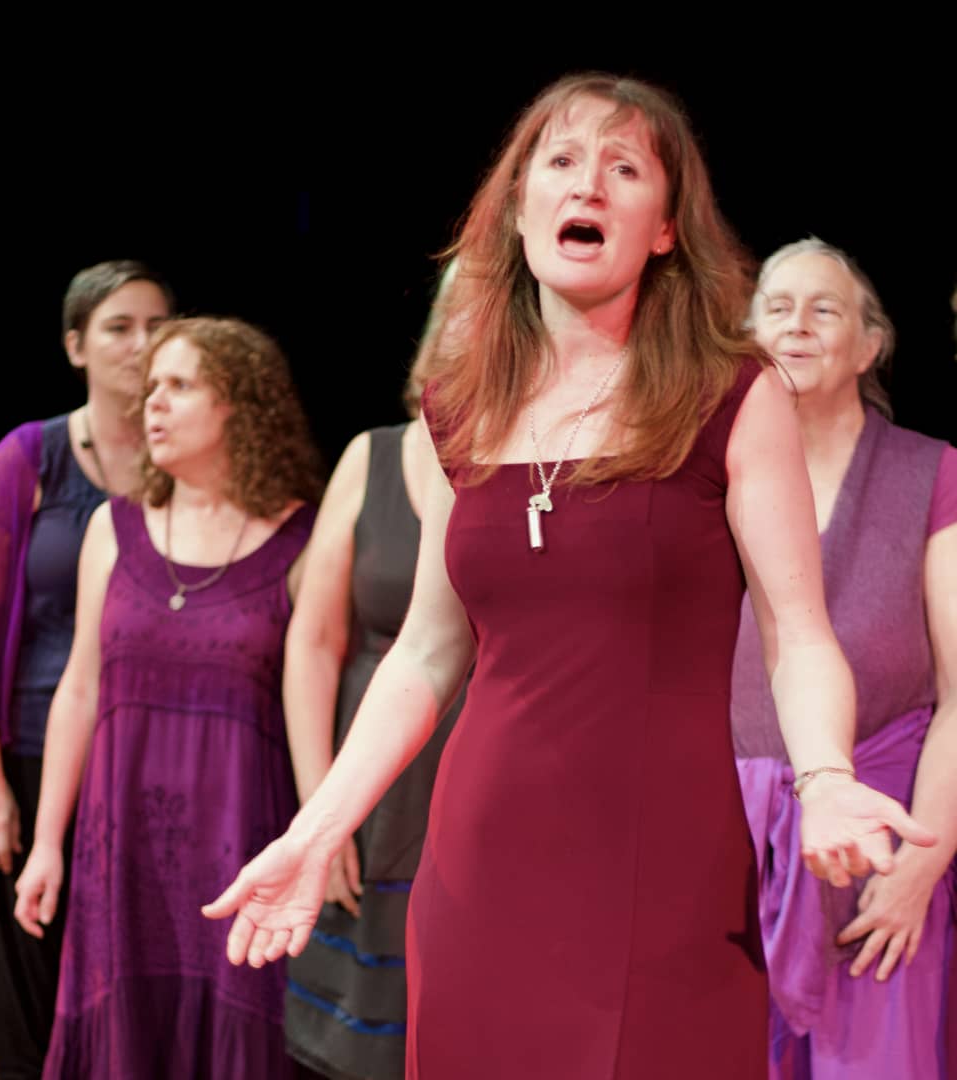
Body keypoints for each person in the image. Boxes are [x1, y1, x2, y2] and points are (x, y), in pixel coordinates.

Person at [203, 73, 936, 1079]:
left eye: (623, 167)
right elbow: (427, 652)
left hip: (661, 860)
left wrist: (826, 778)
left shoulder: (732, 395)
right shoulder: (463, 408)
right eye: (561, 160)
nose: (587, 183)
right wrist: (318, 825)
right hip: (481, 856)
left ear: (665, 228)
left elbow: (798, 634)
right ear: (519, 208)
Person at [13, 317, 323, 1078]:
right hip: (121, 848)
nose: (152, 402)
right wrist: (47, 841)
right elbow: (79, 687)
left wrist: (321, 835)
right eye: (151, 386)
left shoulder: (303, 540)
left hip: (239, 843)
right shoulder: (111, 528)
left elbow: (313, 694)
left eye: (179, 385)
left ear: (239, 406)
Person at [0, 259, 173, 1078]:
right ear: (76, 346)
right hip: (36, 754)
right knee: (30, 993)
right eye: (118, 327)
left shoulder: (187, 458)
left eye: (157, 326)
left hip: (152, 759)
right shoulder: (28, 458)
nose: (140, 344)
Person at [732, 239, 957, 1078]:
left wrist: (921, 869)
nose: (796, 325)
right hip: (733, 853)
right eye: (777, 308)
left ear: (869, 347)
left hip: (884, 854)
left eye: (823, 309)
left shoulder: (930, 473)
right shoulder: (709, 477)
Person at [283, 266, 464, 1080]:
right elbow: (314, 642)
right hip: (379, 790)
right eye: (463, 307)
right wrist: (321, 807)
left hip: (486, 780)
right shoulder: (373, 455)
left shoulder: (546, 468)